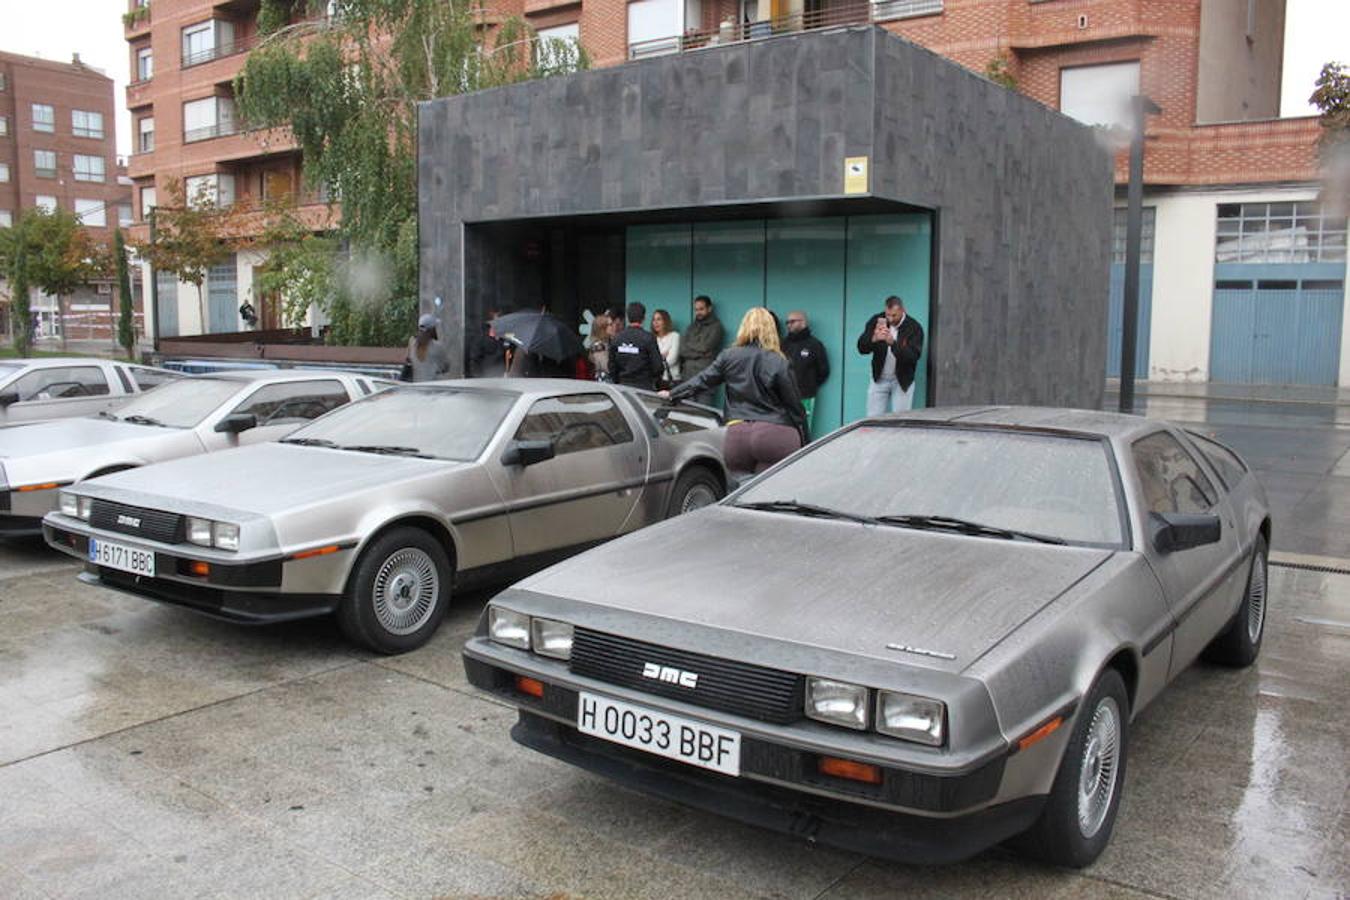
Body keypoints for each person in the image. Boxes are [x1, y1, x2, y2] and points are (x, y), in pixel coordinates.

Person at [662, 307, 807, 474]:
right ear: (771, 330)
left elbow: (702, 380)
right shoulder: (778, 360)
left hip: (737, 434)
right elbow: (795, 406)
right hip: (774, 433)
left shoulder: (729, 356)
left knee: (740, 492)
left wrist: (673, 394)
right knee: (772, 489)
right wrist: (806, 440)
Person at [857, 295, 924, 415]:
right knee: (872, 420)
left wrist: (893, 344)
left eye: (894, 315)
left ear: (903, 310)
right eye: (888, 315)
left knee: (900, 421)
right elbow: (861, 348)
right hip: (879, 378)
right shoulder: (877, 321)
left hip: (902, 381)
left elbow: (913, 357)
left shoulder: (914, 327)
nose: (890, 319)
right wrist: (873, 339)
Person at [783, 310, 830, 435]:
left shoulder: (815, 345)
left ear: (803, 322)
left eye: (792, 322)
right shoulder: (783, 344)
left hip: (805, 396)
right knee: (783, 429)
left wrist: (809, 384)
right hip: (783, 396)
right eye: (787, 322)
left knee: (804, 430)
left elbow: (823, 370)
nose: (789, 325)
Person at [608, 302, 664, 389]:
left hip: (623, 387)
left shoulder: (617, 338)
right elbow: (658, 367)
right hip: (644, 387)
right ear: (644, 318)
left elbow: (612, 366)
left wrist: (618, 381)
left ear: (627, 318)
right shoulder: (648, 338)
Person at [680, 295, 724, 404]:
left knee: (703, 415)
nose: (698, 312)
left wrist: (691, 346)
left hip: (705, 378)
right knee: (687, 414)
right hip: (688, 377)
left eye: (701, 309)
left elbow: (706, 346)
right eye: (696, 309)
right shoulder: (691, 327)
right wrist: (701, 353)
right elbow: (682, 350)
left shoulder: (717, 327)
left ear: (709, 308)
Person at [405, 313, 452, 382]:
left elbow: (408, 360)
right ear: (431, 330)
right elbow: (446, 366)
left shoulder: (412, 343)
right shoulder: (437, 347)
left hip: (416, 387)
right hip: (432, 387)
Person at [467, 309, 507, 377]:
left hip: (502, 376)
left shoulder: (504, 338)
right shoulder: (481, 339)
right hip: (486, 377)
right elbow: (474, 360)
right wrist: (478, 377)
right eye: (496, 321)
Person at [651, 308, 681, 389]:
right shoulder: (652, 338)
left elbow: (672, 359)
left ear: (665, 321)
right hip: (656, 381)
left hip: (671, 381)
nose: (656, 322)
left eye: (659, 319)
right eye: (654, 320)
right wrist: (662, 357)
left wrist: (657, 359)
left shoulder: (674, 336)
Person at [587, 313, 612, 381]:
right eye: (609, 325)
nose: (612, 327)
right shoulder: (598, 346)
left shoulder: (607, 343)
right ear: (602, 328)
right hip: (604, 381)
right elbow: (605, 366)